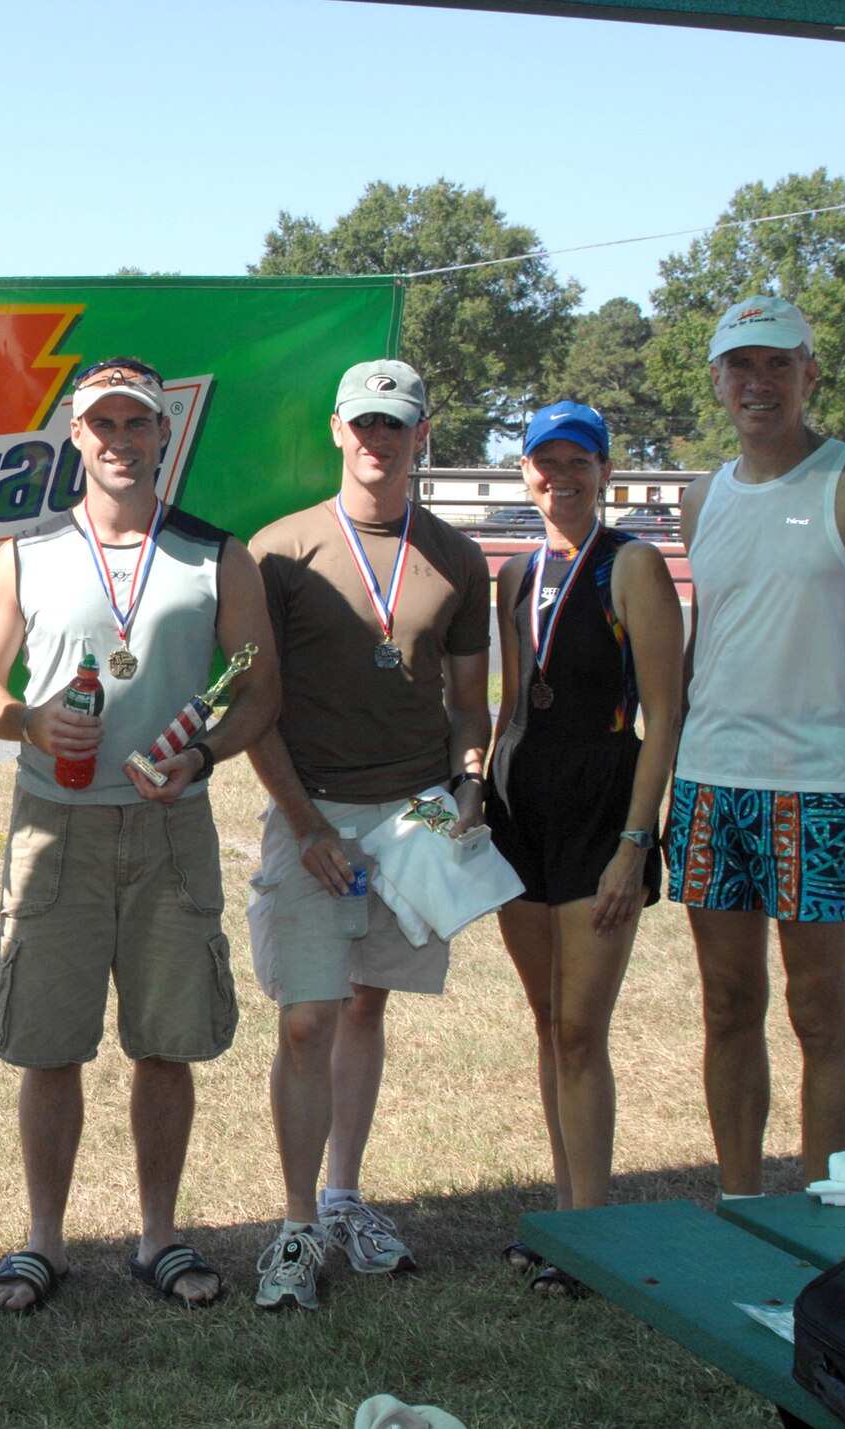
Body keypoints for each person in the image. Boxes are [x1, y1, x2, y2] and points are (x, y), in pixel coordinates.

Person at [0, 356, 276, 1313]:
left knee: (166, 1042)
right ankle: (43, 1242)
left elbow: (262, 691)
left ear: (163, 432)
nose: (119, 442)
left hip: (172, 826)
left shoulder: (219, 555)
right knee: (49, 1045)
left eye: (137, 424)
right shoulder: (26, 555)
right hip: (56, 828)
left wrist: (206, 755)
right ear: (73, 433)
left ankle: (158, 1236)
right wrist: (30, 720)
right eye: (102, 425)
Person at [672, 296, 845, 1196]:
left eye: (778, 364)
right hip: (710, 785)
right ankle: (742, 1197)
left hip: (819, 790)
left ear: (810, 373)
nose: (759, 383)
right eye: (740, 366)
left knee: (819, 1010)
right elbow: (709, 645)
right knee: (726, 1004)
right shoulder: (701, 496)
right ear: (716, 378)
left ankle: (822, 1205)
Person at [246, 359, 492, 1312]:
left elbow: (469, 704)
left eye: (396, 425)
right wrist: (305, 826)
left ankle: (346, 1196)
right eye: (363, 424)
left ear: (421, 435)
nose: (377, 441)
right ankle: (298, 1223)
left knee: (363, 1008)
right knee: (307, 1013)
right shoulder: (281, 552)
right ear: (336, 430)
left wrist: (468, 783)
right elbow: (254, 708)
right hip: (313, 812)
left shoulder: (458, 558)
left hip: (418, 814)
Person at [485, 403, 682, 1293]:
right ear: (523, 472)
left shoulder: (632, 565)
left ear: (605, 470)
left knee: (579, 1027)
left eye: (577, 462)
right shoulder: (515, 574)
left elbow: (665, 715)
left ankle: (590, 1231)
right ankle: (562, 1213)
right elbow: (512, 701)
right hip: (521, 807)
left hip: (605, 805)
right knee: (545, 1022)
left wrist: (636, 843)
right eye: (543, 463)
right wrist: (479, 788)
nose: (558, 477)